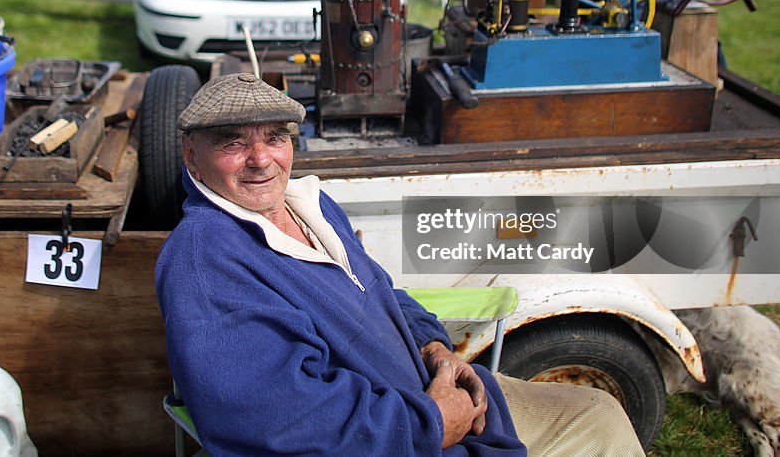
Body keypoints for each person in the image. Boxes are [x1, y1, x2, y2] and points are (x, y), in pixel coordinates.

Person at [155, 72, 645, 456]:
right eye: (233, 142)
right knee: (597, 427)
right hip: (399, 437)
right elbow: (278, 419)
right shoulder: (207, 260)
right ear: (191, 155)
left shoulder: (310, 205)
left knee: (600, 407)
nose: (261, 159)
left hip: (424, 392)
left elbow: (382, 291)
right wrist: (430, 421)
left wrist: (435, 349)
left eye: (275, 137)